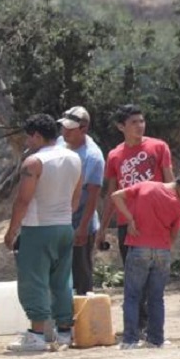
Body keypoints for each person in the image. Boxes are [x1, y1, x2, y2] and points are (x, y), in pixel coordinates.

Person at [95, 104, 180, 333]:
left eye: (141, 121)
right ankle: (139, 324)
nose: (139, 126)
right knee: (133, 274)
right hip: (128, 222)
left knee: (154, 274)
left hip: (157, 220)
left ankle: (151, 326)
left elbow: (172, 183)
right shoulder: (115, 155)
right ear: (121, 126)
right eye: (133, 122)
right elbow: (112, 193)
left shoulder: (158, 147)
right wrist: (103, 228)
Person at [3, 114, 82, 351]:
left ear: (37, 135)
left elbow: (23, 200)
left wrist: (11, 231)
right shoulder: (74, 157)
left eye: (29, 137)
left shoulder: (34, 163)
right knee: (62, 280)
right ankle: (65, 331)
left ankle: (36, 334)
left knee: (33, 280)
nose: (27, 142)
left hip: (38, 227)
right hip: (65, 225)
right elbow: (77, 197)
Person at [111, 167, 180, 349]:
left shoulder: (147, 186)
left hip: (138, 249)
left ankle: (130, 340)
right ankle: (156, 339)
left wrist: (130, 219)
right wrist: (168, 246)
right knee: (156, 298)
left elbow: (116, 196)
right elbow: (173, 235)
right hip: (162, 251)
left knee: (132, 296)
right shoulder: (178, 205)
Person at [56, 106, 105, 295]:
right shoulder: (61, 142)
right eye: (63, 127)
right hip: (59, 220)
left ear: (83, 129)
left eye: (70, 129)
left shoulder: (93, 157)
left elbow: (93, 196)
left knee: (80, 272)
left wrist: (83, 228)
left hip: (79, 222)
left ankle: (83, 315)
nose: (64, 132)